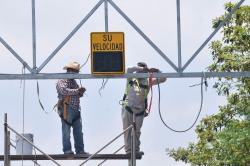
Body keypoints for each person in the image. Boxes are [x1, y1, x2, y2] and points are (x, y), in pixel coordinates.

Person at [121, 62, 166, 155]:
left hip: (140, 110)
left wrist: (157, 71)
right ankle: (129, 150)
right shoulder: (131, 78)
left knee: (137, 131)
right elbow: (128, 69)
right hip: (128, 107)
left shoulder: (148, 81)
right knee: (127, 130)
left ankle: (136, 150)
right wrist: (141, 69)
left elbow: (163, 78)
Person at [56, 61, 88, 155]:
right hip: (67, 107)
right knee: (66, 130)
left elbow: (76, 94)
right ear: (69, 70)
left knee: (78, 131)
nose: (76, 74)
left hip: (75, 108)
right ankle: (67, 150)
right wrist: (78, 90)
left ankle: (80, 150)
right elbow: (64, 91)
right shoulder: (62, 80)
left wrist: (80, 92)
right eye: (75, 71)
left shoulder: (73, 82)